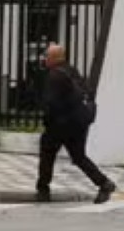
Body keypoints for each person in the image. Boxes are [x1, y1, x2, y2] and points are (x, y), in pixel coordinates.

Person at [38, 44, 113, 204]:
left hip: (60, 124)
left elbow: (51, 103)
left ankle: (43, 190)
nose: (44, 59)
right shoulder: (72, 71)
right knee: (79, 157)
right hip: (79, 123)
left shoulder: (55, 76)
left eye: (46, 56)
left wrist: (47, 121)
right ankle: (104, 183)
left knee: (47, 153)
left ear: (54, 58)